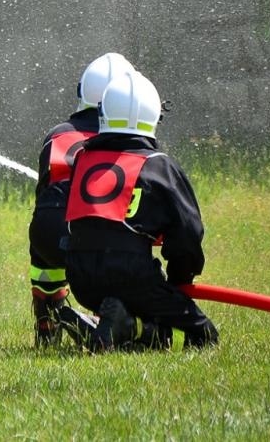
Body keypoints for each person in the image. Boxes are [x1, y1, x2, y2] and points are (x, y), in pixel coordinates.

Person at [64, 69, 219, 351]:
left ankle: (122, 323)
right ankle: (126, 322)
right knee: (204, 333)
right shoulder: (158, 165)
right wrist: (178, 283)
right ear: (153, 117)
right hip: (132, 277)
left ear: (103, 113)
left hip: (80, 279)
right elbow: (188, 232)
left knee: (157, 333)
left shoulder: (82, 159)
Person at [27, 52, 133, 348]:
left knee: (46, 226)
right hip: (95, 245)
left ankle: (47, 314)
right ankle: (107, 324)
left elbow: (43, 200)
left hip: (48, 240)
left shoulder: (57, 135)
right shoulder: (126, 139)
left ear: (81, 92)